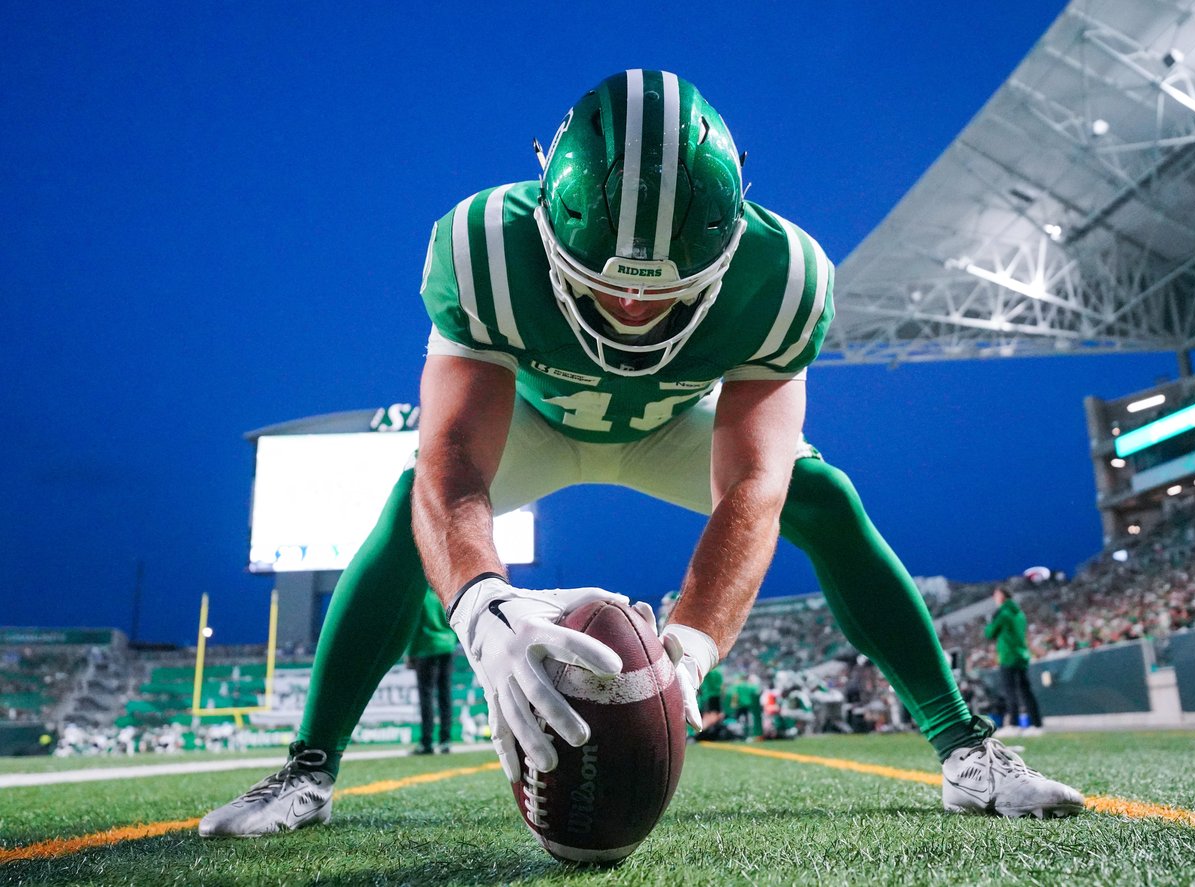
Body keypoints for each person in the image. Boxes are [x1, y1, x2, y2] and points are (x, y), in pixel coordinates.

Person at [199, 70, 1083, 838]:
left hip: (672, 426)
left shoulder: (784, 278)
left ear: (730, 248)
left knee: (823, 496)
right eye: (603, 285)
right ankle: (307, 770)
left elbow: (754, 485)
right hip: (538, 422)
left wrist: (691, 648)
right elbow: (454, 461)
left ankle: (967, 749)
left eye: (664, 292)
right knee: (407, 511)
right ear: (549, 226)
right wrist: (480, 607)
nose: (629, 308)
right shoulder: (483, 250)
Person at [984, 587, 1042, 736]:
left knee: (1010, 691)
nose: (994, 598)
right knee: (1026, 691)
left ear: (1002, 597)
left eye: (996, 595)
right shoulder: (1020, 614)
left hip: (1008, 656)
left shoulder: (1003, 614)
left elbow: (990, 633)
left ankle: (1014, 725)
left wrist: (992, 620)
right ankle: (1037, 725)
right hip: (1021, 655)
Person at [407, 588, 457, 755]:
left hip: (426, 648)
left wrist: (410, 653)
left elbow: (414, 628)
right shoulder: (444, 594)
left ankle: (427, 742)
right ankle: (445, 741)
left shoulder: (420, 597)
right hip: (447, 647)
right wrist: (451, 641)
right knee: (445, 695)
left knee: (426, 697)